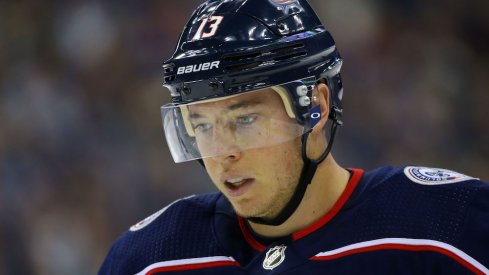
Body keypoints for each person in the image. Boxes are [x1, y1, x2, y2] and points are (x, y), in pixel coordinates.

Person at [99, 0, 489, 274]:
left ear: (315, 108)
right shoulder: (148, 258)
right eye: (202, 125)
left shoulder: (445, 226)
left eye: (245, 118)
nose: (222, 153)